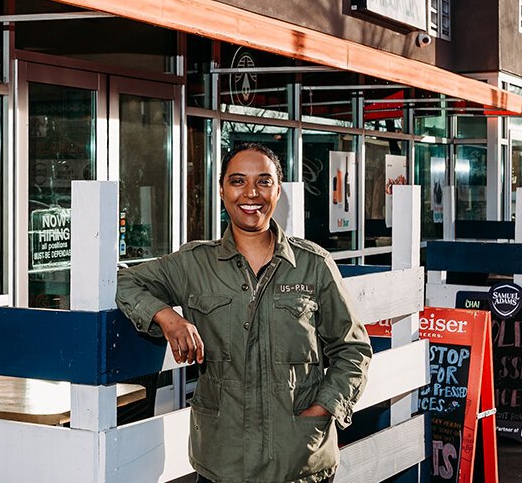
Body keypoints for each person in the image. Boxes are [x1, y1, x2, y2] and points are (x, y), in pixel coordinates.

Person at [116, 144, 372, 483]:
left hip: (300, 462)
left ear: (278, 191)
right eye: (238, 181)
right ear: (222, 190)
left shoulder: (314, 266)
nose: (251, 193)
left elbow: (352, 349)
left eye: (264, 182)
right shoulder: (194, 264)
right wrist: (167, 317)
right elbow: (123, 281)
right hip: (222, 462)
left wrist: (324, 408)